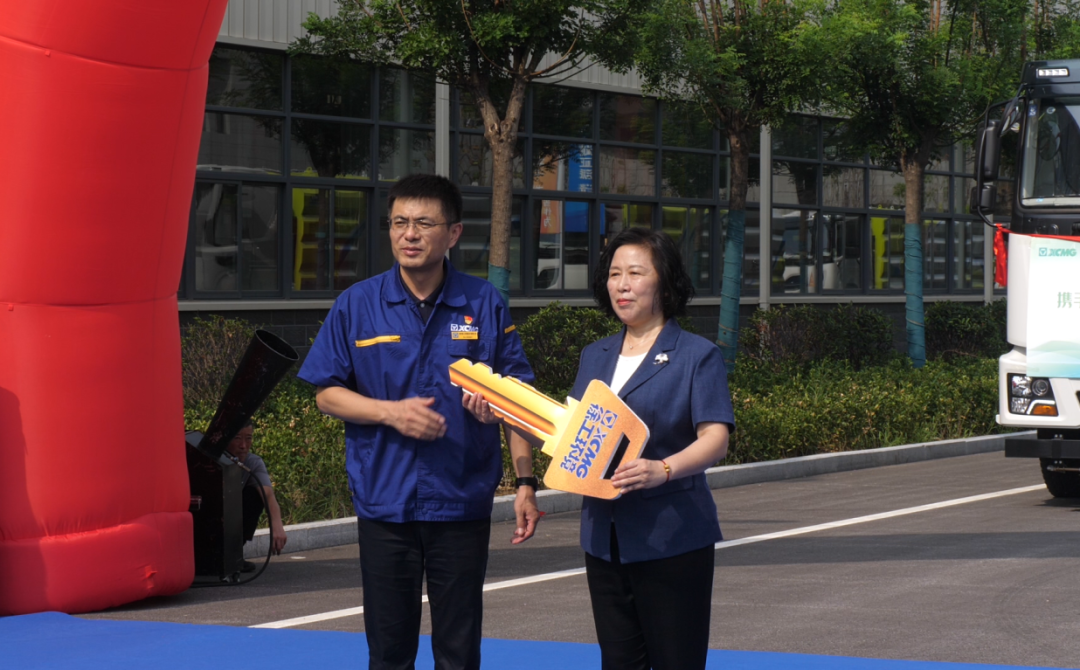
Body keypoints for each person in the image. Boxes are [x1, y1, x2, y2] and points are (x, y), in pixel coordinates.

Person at [297, 173, 541, 670]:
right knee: (389, 651)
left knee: (458, 650)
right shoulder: (357, 305)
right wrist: (390, 412)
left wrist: (525, 482)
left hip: (461, 502)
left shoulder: (483, 304)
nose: (409, 234)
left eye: (424, 223)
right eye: (399, 222)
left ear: (453, 233)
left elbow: (518, 401)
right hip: (384, 503)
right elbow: (327, 395)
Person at [571, 228, 733, 670]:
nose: (622, 285)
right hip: (604, 538)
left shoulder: (697, 355)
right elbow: (576, 432)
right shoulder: (594, 355)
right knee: (619, 661)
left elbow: (715, 438)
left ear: (664, 282)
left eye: (636, 273)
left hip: (672, 536)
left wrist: (662, 469)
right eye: (614, 274)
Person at [224, 421, 288, 571]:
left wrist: (277, 525)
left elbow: (268, 495)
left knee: (255, 495)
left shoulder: (253, 463)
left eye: (248, 438)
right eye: (237, 438)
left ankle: (234, 554)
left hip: (231, 515)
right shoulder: (211, 460)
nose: (243, 446)